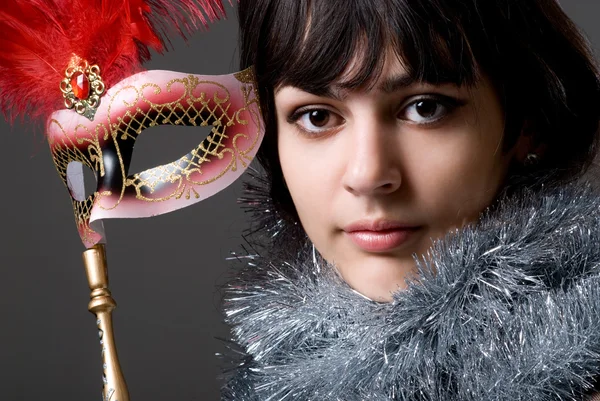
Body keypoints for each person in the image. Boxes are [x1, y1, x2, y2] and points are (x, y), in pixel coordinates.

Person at [220, 0, 600, 400]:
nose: (367, 176)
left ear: (528, 125)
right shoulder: (269, 378)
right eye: (317, 117)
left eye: (425, 108)